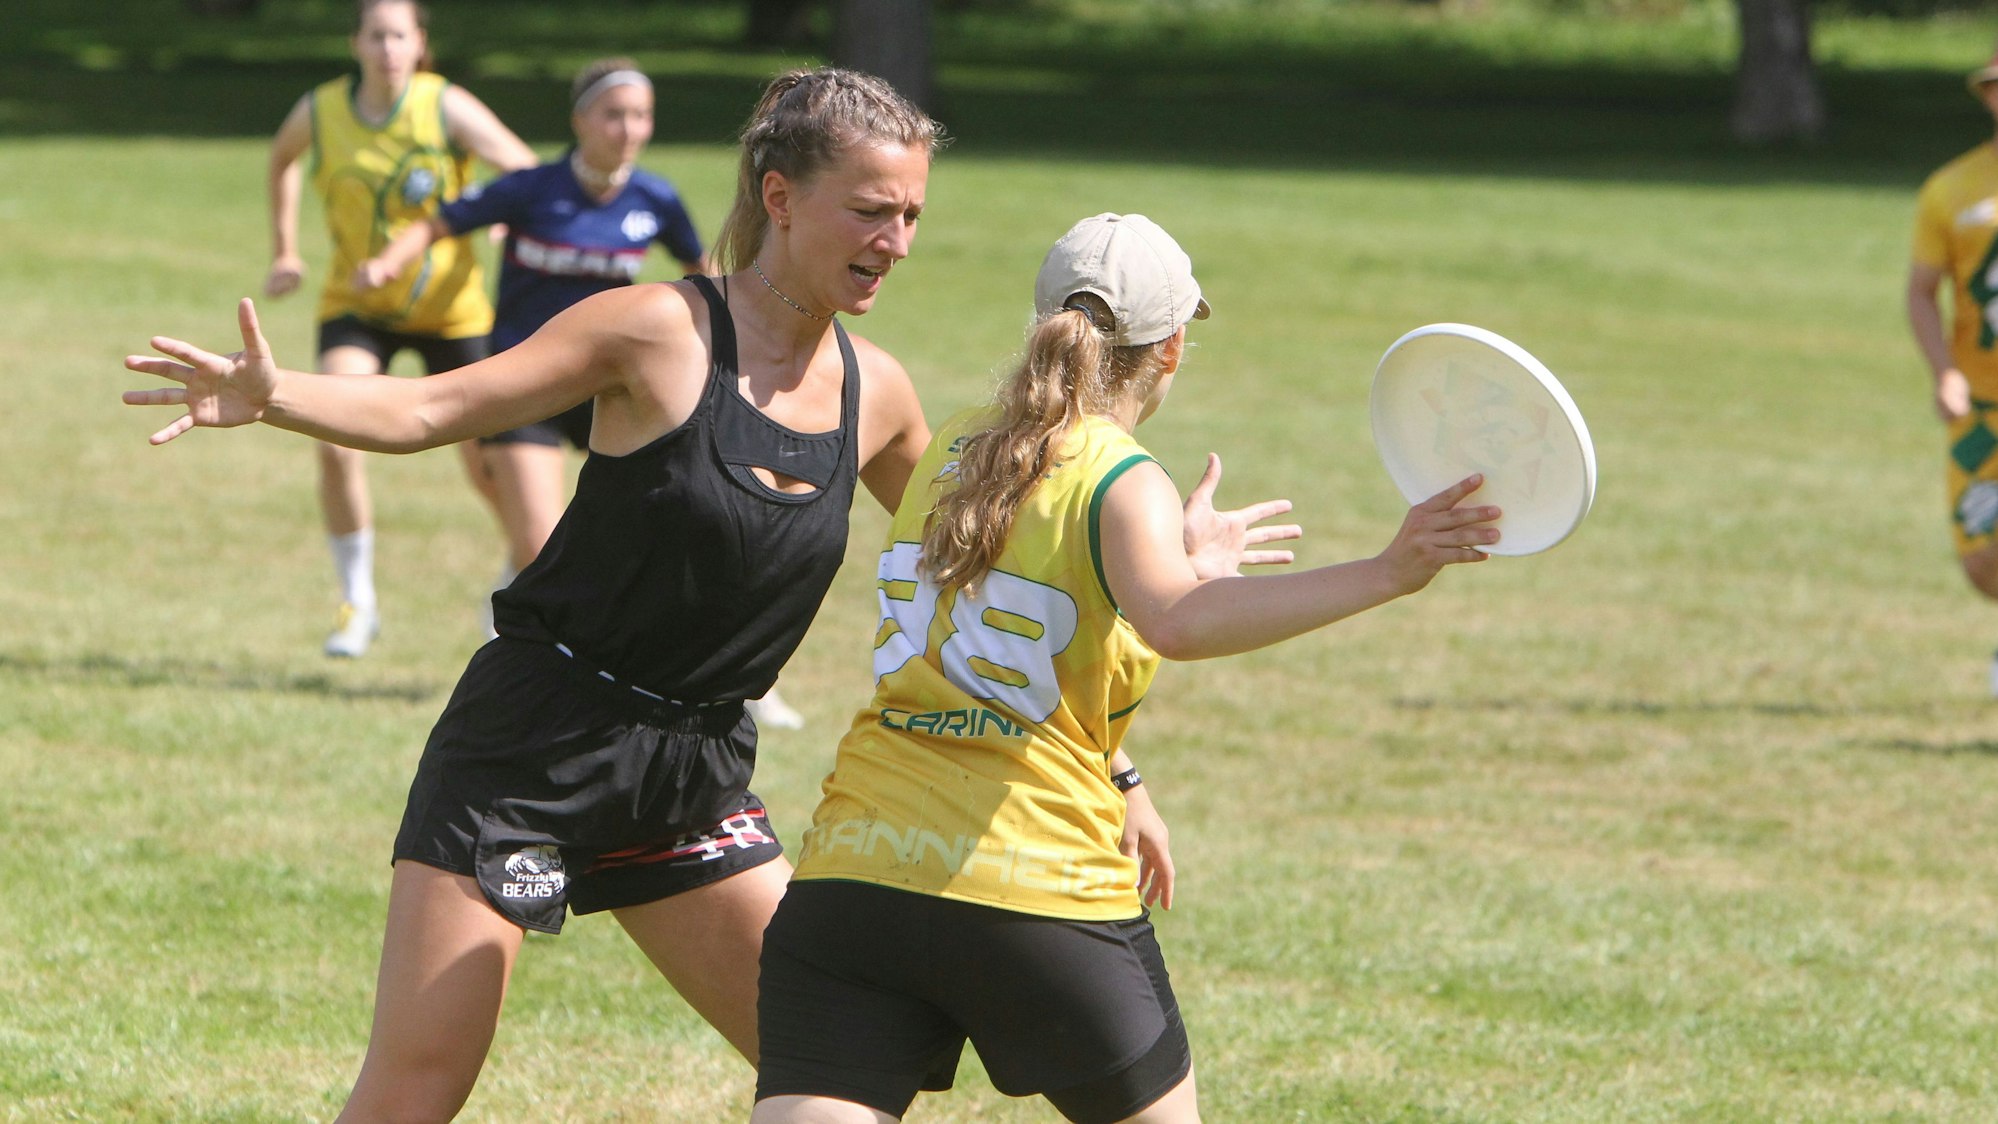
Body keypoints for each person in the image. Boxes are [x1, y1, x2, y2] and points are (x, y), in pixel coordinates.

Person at [129, 67, 944, 1121]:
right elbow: (434, 407)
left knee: (845, 1065)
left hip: (691, 769)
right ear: (780, 197)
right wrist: (276, 394)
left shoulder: (880, 392)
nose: (896, 241)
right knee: (418, 1086)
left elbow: (978, 552)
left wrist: (1121, 564)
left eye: (911, 214)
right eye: (873, 211)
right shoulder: (655, 331)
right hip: (533, 742)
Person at [751, 214, 1501, 1124]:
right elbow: (1176, 622)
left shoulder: (955, 445)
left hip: (852, 876)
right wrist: (1388, 571)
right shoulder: (1121, 475)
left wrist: (1127, 773)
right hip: (1032, 883)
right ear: (1172, 347)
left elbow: (999, 650)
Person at [349, 56, 805, 728]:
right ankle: (553, 666)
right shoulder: (533, 188)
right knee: (545, 547)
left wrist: (749, 335)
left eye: (640, 116)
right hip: (527, 390)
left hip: (611, 393)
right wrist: (389, 261)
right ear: (581, 120)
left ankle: (732, 676)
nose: (629, 129)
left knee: (682, 528)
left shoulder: (654, 199)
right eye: (614, 114)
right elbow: (440, 222)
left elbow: (707, 274)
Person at [265, 0, 537, 658]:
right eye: (376, 35)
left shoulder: (444, 105)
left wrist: (501, 212)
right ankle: (356, 601)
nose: (388, 48)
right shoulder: (320, 110)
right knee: (333, 439)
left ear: (419, 43)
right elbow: (281, 160)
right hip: (358, 306)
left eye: (400, 36)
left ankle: (517, 583)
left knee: (493, 472)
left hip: (454, 312)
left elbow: (526, 170)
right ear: (355, 43)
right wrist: (285, 249)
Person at [1908, 48, 1998, 693]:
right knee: (1982, 561)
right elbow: (1921, 291)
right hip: (1983, 407)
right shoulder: (1953, 188)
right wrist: (1945, 371)